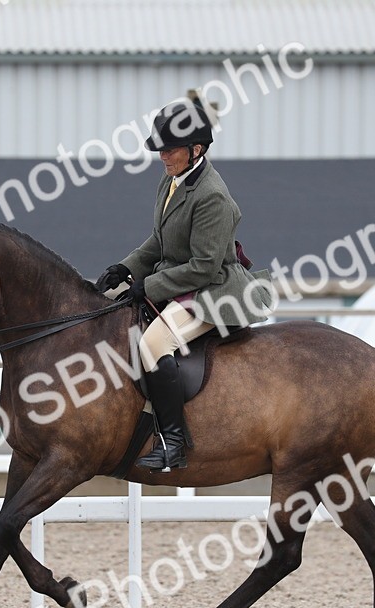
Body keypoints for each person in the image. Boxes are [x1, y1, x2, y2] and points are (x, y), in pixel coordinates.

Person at [96, 98, 273, 472]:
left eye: (170, 149)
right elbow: (160, 241)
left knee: (154, 342)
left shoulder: (212, 197)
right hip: (183, 283)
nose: (163, 156)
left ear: (197, 149)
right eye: (161, 148)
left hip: (214, 291)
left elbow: (204, 267)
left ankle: (174, 442)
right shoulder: (173, 180)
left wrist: (150, 285)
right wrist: (125, 269)